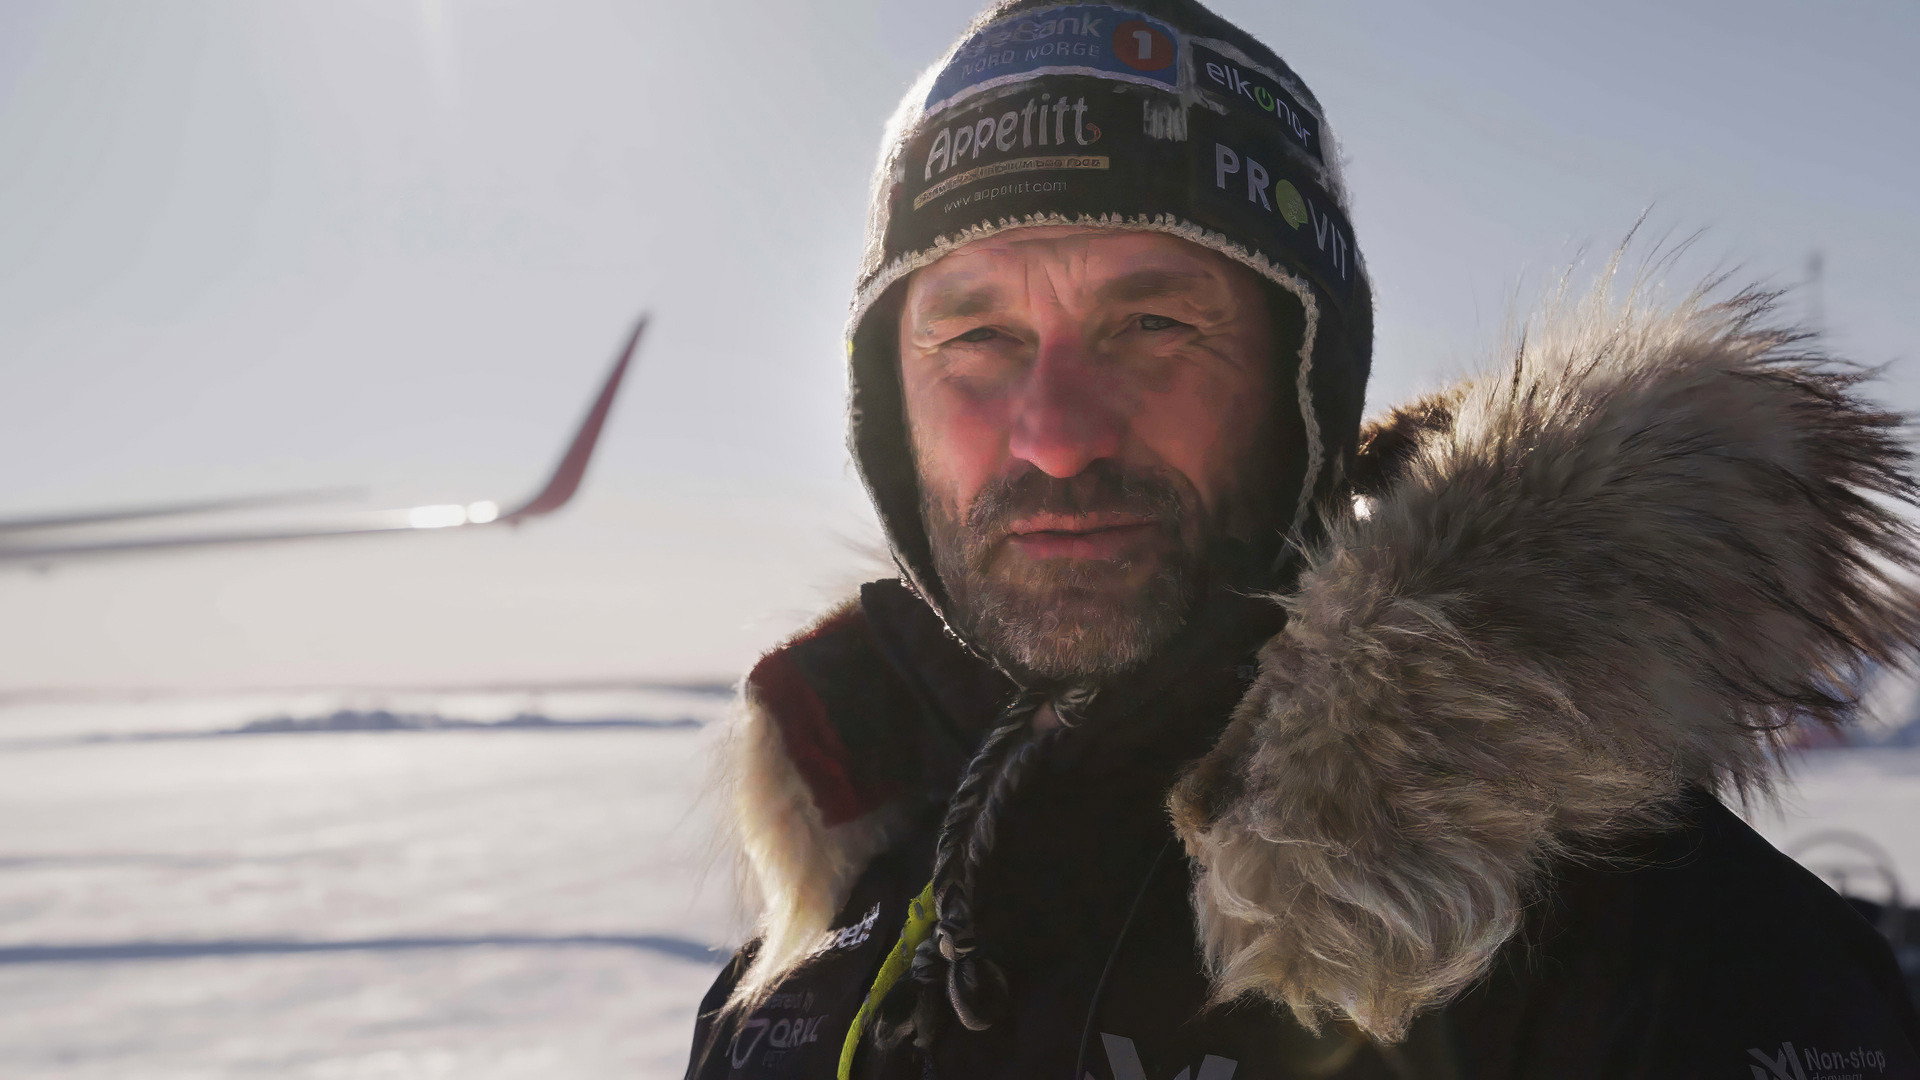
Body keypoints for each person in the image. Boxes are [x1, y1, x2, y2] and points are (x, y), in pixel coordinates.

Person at [686, 1, 1920, 1076]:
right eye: (975, 337)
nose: (1056, 437)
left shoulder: (1657, 959)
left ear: (1304, 392)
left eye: (1156, 324)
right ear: (886, 409)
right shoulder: (818, 940)